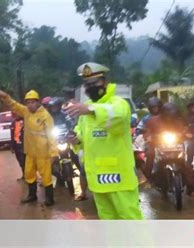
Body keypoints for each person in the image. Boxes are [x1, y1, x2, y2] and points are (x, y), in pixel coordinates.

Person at [66, 62, 143, 219]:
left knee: (131, 222)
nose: (90, 87)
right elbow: (82, 135)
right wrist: (75, 140)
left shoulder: (117, 103)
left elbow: (118, 115)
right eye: (87, 84)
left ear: (105, 83)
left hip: (119, 178)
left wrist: (90, 110)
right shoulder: (85, 108)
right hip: (97, 181)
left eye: (95, 83)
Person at [0, 89, 58, 206]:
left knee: (46, 176)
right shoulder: (26, 112)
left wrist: (53, 153)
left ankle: (50, 198)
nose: (30, 105)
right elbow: (14, 105)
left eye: (33, 102)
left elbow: (51, 136)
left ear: (38, 102)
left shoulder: (45, 116)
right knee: (29, 174)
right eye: (28, 102)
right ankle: (32, 195)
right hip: (30, 152)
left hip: (43, 153)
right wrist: (5, 96)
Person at [49, 97, 88, 201]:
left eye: (56, 106)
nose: (54, 108)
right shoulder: (48, 117)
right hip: (53, 142)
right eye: (52, 107)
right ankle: (52, 178)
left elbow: (71, 123)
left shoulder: (65, 115)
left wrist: (71, 131)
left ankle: (80, 172)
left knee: (75, 156)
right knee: (48, 161)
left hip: (65, 140)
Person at [143, 103, 186, 190]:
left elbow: (183, 130)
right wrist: (149, 137)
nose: (170, 118)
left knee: (186, 159)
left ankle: (190, 184)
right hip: (156, 144)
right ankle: (149, 178)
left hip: (174, 145)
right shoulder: (153, 120)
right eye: (168, 116)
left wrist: (184, 134)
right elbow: (147, 132)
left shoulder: (177, 121)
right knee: (150, 154)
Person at [10, 112, 25, 180]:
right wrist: (12, 146)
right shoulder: (13, 123)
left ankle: (30, 176)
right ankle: (24, 175)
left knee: (25, 160)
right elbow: (12, 135)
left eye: (16, 114)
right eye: (14, 114)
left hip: (24, 144)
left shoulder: (25, 121)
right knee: (20, 161)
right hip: (16, 144)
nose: (15, 116)